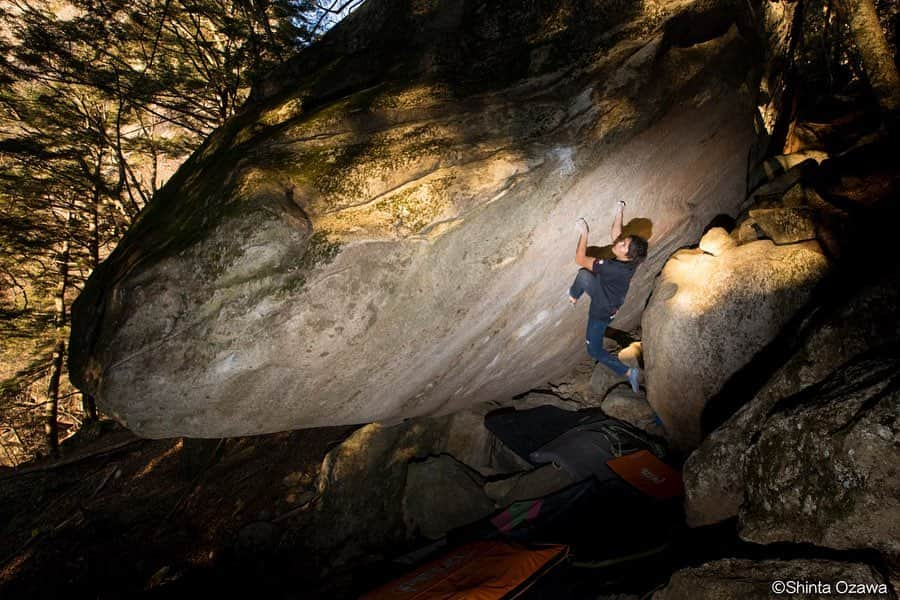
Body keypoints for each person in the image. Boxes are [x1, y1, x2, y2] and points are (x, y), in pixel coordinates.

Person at [568, 200, 648, 393]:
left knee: (593, 350)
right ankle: (573, 295)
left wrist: (584, 233)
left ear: (627, 256)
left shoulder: (613, 267)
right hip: (609, 296)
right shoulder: (631, 260)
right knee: (584, 276)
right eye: (624, 242)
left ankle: (629, 373)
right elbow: (617, 236)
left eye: (623, 246)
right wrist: (619, 211)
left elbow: (580, 259)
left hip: (602, 309)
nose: (619, 244)